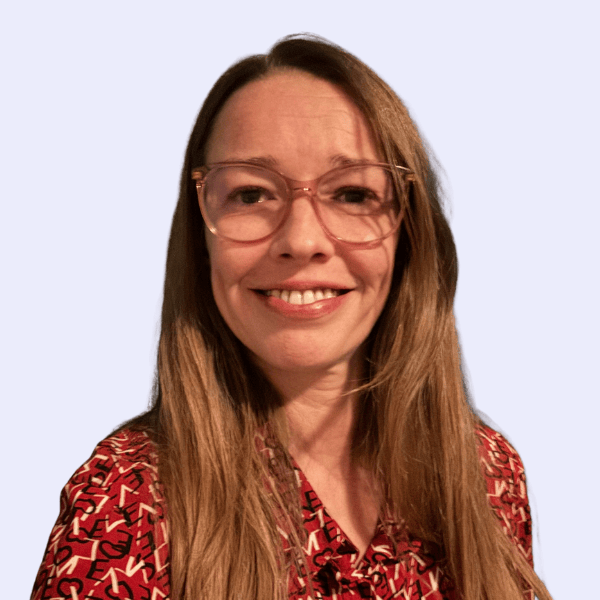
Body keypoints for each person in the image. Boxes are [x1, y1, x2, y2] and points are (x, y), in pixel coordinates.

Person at [31, 35, 552, 600]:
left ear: (410, 235)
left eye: (352, 194)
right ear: (201, 240)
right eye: (252, 195)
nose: (302, 240)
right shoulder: (125, 499)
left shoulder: (487, 474)